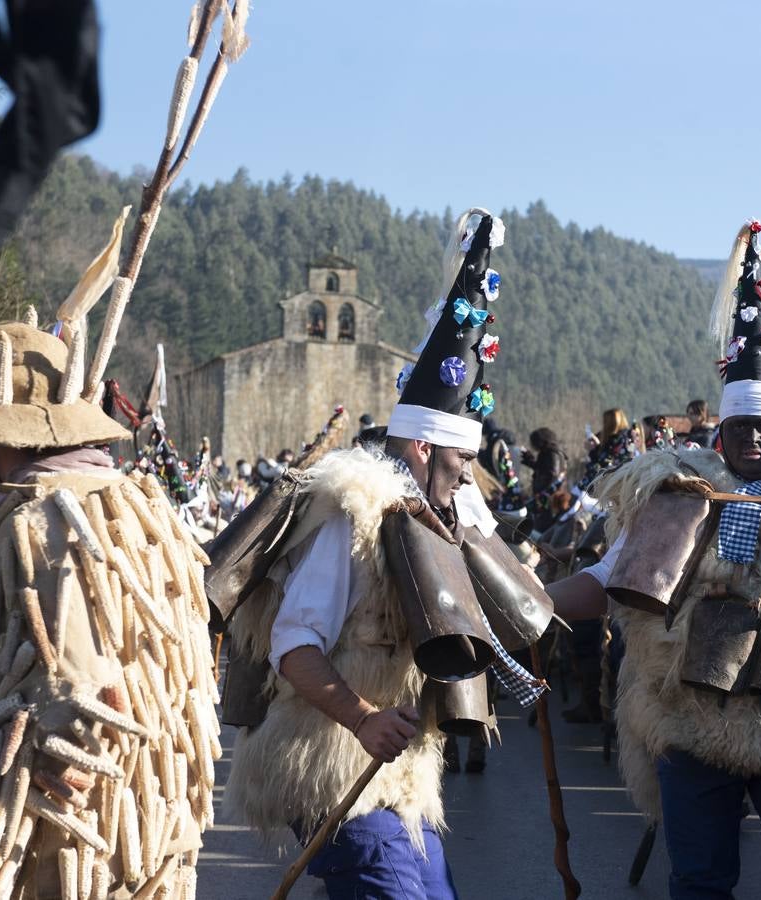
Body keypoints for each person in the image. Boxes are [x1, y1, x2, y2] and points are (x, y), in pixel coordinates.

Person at [0, 209, 218, 896]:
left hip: (67, 823)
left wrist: (32, 757)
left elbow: (75, 683)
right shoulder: (139, 506)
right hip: (141, 816)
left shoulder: (41, 518)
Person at [549, 221, 761, 899]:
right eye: (739, 428)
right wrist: (530, 604)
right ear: (723, 428)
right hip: (694, 719)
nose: (751, 440)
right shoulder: (679, 493)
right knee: (701, 880)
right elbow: (613, 578)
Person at [223, 209, 543, 899]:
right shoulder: (354, 519)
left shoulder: (439, 519)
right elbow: (291, 645)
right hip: (333, 759)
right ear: (423, 448)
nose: (468, 475)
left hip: (400, 773)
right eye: (461, 460)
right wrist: (364, 718)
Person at [521, 426, 567, 535]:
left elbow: (551, 474)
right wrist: (530, 460)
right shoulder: (549, 452)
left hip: (548, 498)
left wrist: (541, 493)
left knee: (542, 525)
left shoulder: (552, 453)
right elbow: (543, 469)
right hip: (546, 496)